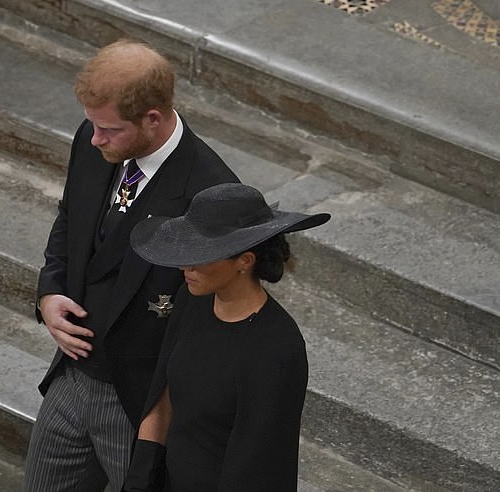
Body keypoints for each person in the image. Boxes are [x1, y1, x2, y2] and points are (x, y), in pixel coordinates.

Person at [23, 39, 238, 492]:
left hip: (138, 402)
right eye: (93, 126)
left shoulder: (209, 193)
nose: (95, 138)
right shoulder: (94, 141)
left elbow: (208, 321)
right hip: (71, 375)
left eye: (109, 130)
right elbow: (71, 217)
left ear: (153, 119)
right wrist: (50, 289)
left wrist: (161, 418)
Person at [123, 183, 331, 491]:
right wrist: (139, 483)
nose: (185, 266)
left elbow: (260, 463)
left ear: (244, 261)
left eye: (201, 255)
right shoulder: (194, 300)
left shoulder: (277, 348)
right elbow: (162, 398)